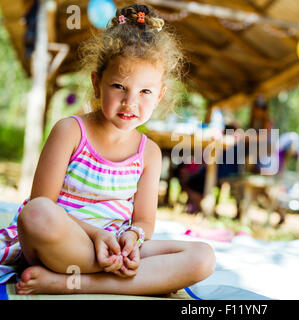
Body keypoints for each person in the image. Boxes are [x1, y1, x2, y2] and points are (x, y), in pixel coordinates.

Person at [0, 4, 215, 295]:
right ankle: (129, 279)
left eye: (145, 92)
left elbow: (143, 221)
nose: (130, 102)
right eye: (118, 86)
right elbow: (42, 204)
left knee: (203, 257)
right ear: (96, 83)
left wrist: (131, 237)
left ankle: (70, 283)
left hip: (115, 246)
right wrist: (96, 235)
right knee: (36, 214)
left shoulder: (148, 153)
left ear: (160, 95)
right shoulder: (70, 131)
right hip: (64, 242)